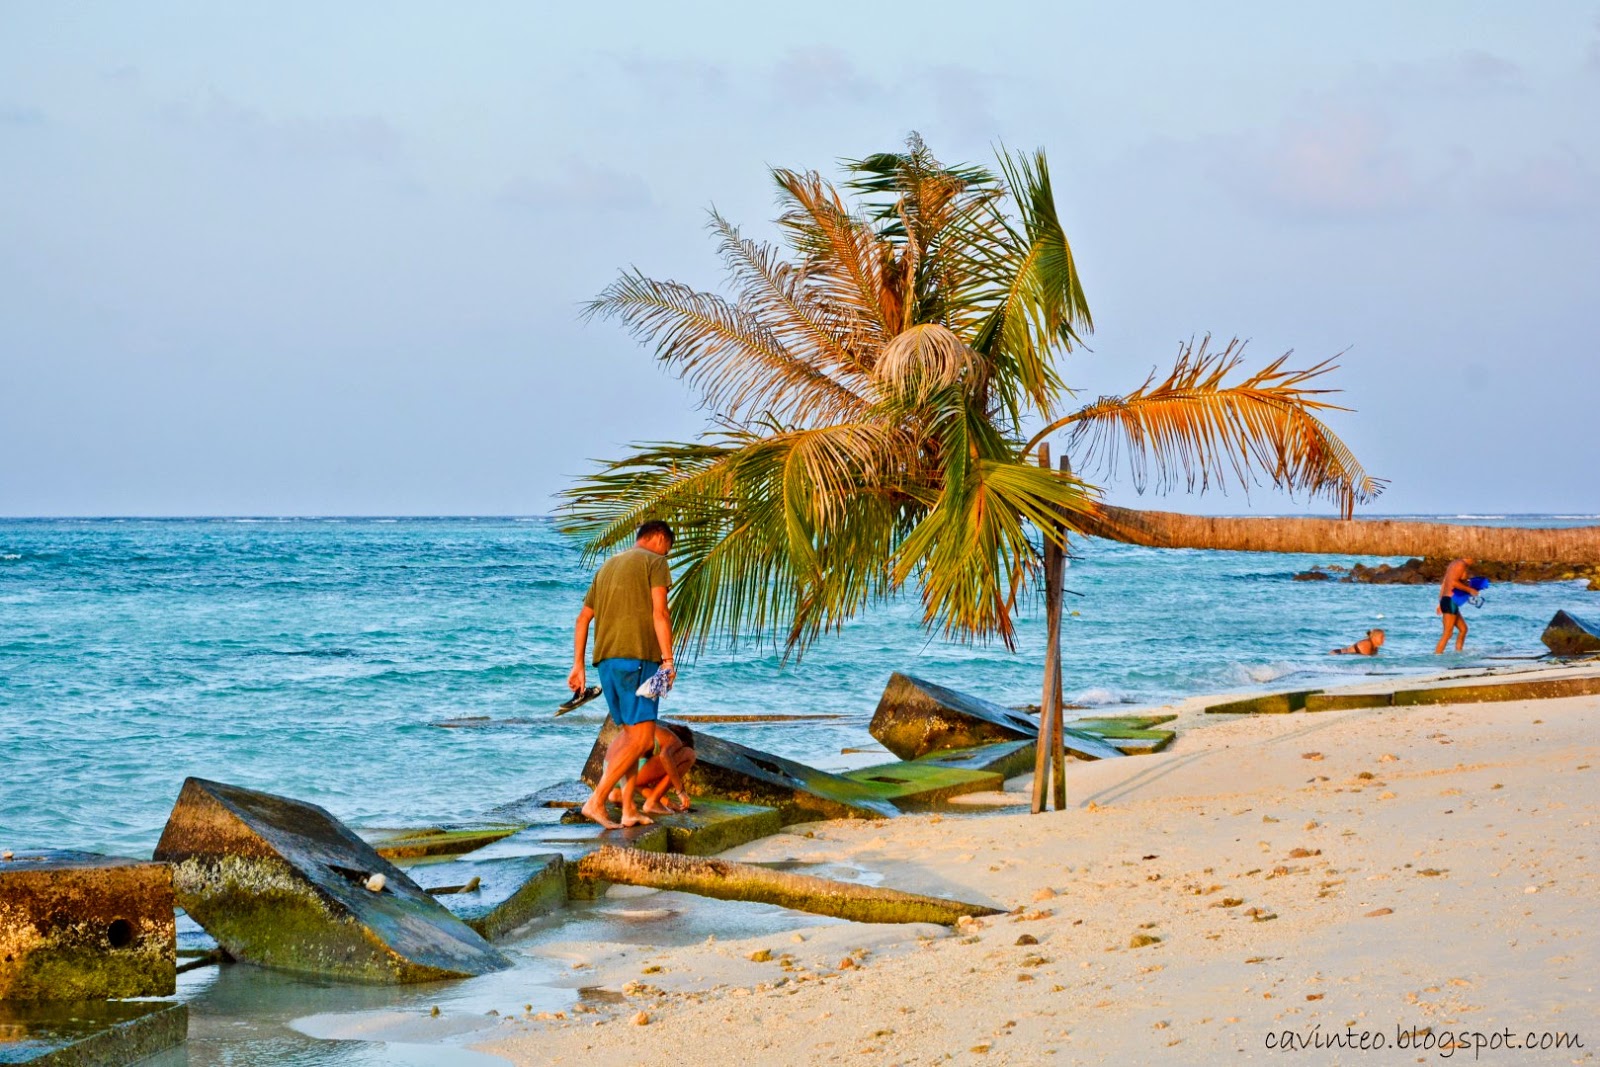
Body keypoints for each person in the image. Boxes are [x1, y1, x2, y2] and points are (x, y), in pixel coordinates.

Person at [569, 521, 676, 828]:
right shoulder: (654, 562)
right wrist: (668, 660)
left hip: (606, 662)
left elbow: (583, 619)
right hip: (638, 659)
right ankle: (597, 800)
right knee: (642, 738)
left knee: (633, 736)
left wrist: (578, 666)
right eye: (667, 549)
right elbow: (660, 612)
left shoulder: (607, 567)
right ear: (658, 539)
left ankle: (628, 808)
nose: (666, 555)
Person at [608, 721, 696, 816]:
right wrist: (680, 791)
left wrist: (666, 802)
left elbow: (638, 782)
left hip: (609, 770)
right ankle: (652, 803)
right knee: (689, 754)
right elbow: (664, 756)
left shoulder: (655, 733)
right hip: (626, 769)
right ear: (682, 742)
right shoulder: (674, 740)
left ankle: (617, 795)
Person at [1434, 557, 1477, 654]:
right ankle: (1437, 657)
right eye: (1475, 559)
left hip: (1447, 599)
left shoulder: (1454, 563)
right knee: (1447, 633)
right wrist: (1469, 590)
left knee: (1463, 629)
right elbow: (1453, 582)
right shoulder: (1460, 564)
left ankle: (1458, 654)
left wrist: (1440, 601)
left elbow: (1446, 582)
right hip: (1450, 600)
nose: (1476, 561)